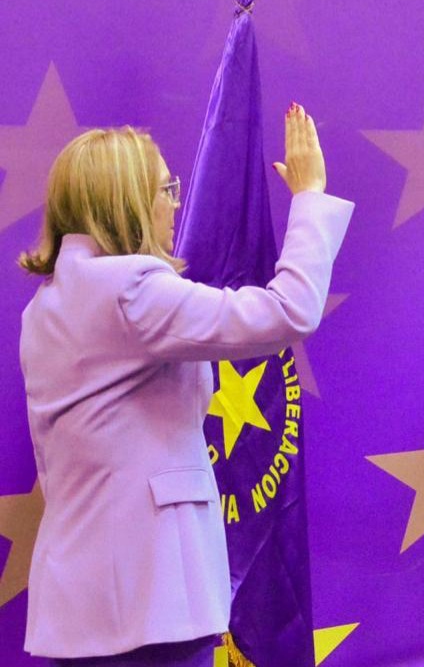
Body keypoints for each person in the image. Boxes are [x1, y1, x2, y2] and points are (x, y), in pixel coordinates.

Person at [18, 103, 353, 666]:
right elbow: (289, 311)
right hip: (153, 603)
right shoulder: (132, 291)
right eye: (164, 189)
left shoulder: (45, 307)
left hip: (78, 604)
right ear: (126, 203)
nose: (174, 203)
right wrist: (311, 196)